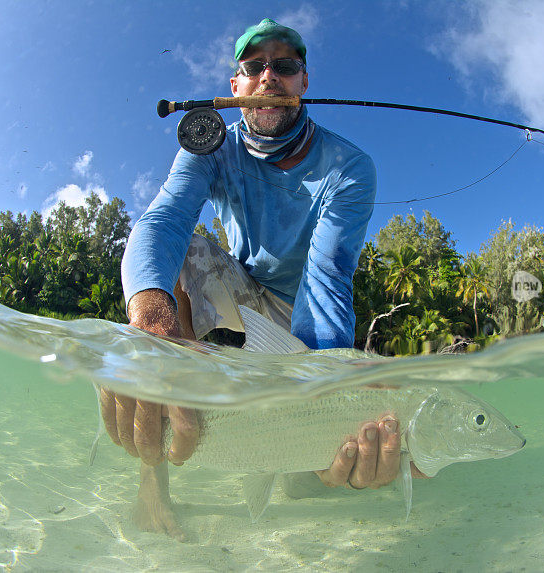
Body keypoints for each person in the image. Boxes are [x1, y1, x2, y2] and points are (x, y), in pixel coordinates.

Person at [99, 18, 423, 539]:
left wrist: (323, 394)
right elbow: (163, 222)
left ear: (303, 82)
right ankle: (153, 480)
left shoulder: (350, 166)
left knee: (309, 478)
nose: (269, 76)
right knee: (182, 256)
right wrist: (150, 321)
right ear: (235, 87)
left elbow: (328, 277)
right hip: (242, 290)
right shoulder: (209, 147)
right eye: (254, 68)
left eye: (285, 66)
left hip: (308, 319)